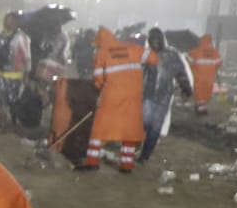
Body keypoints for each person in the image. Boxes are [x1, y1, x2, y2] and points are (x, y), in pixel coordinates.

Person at [84, 27, 147, 172]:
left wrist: (98, 87)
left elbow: (98, 78)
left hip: (112, 97)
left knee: (99, 130)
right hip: (132, 98)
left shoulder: (102, 53)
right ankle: (126, 165)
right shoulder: (131, 49)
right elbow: (149, 61)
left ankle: (92, 162)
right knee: (129, 131)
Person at [139, 28, 192, 164]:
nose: (155, 43)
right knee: (143, 124)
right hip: (148, 95)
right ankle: (133, 147)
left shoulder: (172, 55)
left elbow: (180, 72)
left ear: (162, 40)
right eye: (153, 41)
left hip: (163, 98)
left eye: (158, 40)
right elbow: (137, 71)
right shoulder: (146, 54)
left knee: (155, 129)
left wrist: (185, 88)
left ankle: (144, 155)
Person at [0, 13, 31, 128]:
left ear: (15, 22)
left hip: (15, 76)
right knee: (2, 101)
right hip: (1, 74)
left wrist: (27, 73)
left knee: (14, 102)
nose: (5, 23)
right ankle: (3, 124)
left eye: (8, 20)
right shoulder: (1, 35)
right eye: (5, 20)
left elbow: (27, 56)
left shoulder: (21, 37)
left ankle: (14, 123)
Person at [187, 34, 222, 115]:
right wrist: (212, 68)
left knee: (199, 93)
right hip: (209, 78)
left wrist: (193, 68)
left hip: (198, 77)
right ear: (210, 42)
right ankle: (203, 108)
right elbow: (219, 63)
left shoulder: (196, 51)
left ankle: (200, 109)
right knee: (206, 93)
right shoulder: (214, 52)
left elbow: (188, 62)